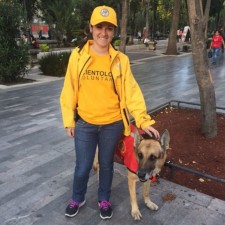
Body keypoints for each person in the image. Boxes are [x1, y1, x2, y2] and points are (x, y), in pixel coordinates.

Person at [60, 5, 159, 220]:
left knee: (106, 165)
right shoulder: (77, 56)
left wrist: (142, 120)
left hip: (113, 124)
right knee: (83, 166)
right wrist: (69, 120)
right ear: (91, 28)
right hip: (85, 123)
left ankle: (104, 198)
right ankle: (78, 197)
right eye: (99, 27)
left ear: (113, 31)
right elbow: (69, 90)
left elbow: (132, 91)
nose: (103, 33)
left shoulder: (120, 60)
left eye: (109, 28)